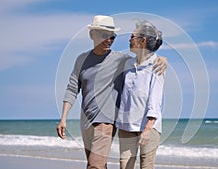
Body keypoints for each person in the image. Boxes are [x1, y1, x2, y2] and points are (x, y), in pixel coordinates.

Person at [56, 15, 167, 169]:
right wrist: (63, 118)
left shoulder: (127, 61)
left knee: (96, 165)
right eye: (104, 35)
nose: (109, 40)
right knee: (97, 163)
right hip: (95, 121)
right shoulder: (88, 60)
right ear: (92, 34)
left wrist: (163, 59)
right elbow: (72, 88)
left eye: (112, 36)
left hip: (108, 120)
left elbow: (146, 60)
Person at [116, 20, 165, 169]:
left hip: (148, 127)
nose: (129, 40)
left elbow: (154, 101)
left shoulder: (156, 65)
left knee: (146, 166)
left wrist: (147, 129)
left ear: (142, 40)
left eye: (132, 36)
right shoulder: (126, 63)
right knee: (124, 166)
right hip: (126, 125)